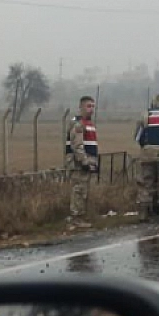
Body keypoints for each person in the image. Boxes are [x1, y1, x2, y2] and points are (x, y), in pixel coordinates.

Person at [66, 96, 100, 229]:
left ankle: (80, 216)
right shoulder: (78, 123)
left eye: (92, 106)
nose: (91, 109)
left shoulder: (89, 124)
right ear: (81, 107)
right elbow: (77, 146)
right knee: (78, 191)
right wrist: (84, 161)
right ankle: (76, 218)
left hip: (88, 161)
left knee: (83, 191)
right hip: (78, 164)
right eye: (88, 106)